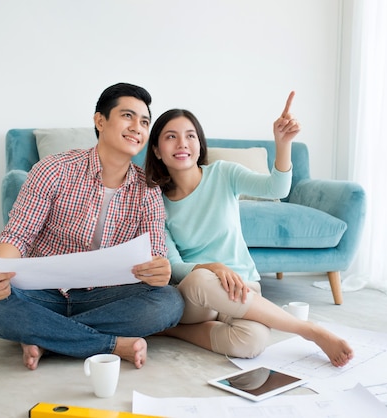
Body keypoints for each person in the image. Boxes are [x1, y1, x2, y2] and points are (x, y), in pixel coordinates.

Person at [0, 82, 184, 370]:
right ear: (100, 121)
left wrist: (159, 270)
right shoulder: (53, 169)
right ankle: (109, 344)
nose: (137, 127)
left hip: (105, 295)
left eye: (144, 122)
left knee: (169, 301)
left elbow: (154, 255)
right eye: (128, 116)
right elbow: (18, 234)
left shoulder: (148, 189)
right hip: (43, 292)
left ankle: (44, 338)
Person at [144, 92, 353, 367]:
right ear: (157, 150)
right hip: (198, 298)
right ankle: (310, 331)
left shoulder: (223, 174)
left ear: (199, 143)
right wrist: (213, 267)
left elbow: (275, 188)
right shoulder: (156, 201)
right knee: (199, 280)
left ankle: (169, 330)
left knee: (251, 343)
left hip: (243, 288)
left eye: (190, 135)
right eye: (171, 136)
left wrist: (283, 144)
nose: (182, 143)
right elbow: (173, 265)